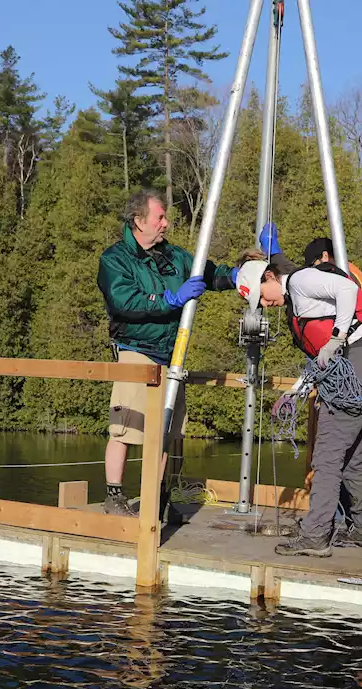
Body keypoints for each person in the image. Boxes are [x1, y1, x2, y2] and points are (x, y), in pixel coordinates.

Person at [235, 225, 362, 555]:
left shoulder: (300, 280)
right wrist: (295, 391)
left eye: (262, 295)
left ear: (269, 276)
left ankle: (316, 535)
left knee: (327, 453)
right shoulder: (295, 295)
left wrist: (336, 338)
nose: (266, 304)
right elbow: (320, 358)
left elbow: (347, 292)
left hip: (360, 358)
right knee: (351, 456)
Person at [96, 188, 239, 518]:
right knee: (126, 426)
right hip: (137, 350)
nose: (166, 223)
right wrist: (170, 299)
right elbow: (125, 301)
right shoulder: (115, 259)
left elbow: (209, 271)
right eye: (160, 217)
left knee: (166, 432)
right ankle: (114, 497)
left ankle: (156, 498)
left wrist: (236, 276)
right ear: (139, 220)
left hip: (170, 355)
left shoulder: (175, 257)